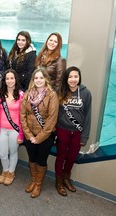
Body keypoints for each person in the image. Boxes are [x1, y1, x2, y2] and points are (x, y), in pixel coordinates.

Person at [20, 67, 59, 198]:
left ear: (46, 79)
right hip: (30, 135)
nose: (38, 80)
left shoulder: (52, 95)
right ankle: (33, 180)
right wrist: (29, 135)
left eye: (41, 77)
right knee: (32, 159)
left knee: (41, 160)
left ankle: (38, 184)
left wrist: (39, 138)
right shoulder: (28, 94)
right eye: (36, 78)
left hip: (46, 136)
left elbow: (51, 121)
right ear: (33, 80)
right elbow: (22, 115)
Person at [55, 66, 92, 196]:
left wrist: (84, 136)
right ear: (66, 78)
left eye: (76, 76)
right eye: (70, 77)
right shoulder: (60, 91)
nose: (73, 79)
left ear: (79, 78)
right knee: (61, 156)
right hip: (62, 130)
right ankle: (58, 181)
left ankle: (66, 178)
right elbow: (56, 112)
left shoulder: (86, 93)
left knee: (71, 157)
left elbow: (88, 116)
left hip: (77, 132)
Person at [0, 69, 25, 185]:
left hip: (15, 130)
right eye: (7, 78)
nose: (10, 81)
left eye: (12, 78)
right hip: (2, 130)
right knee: (2, 153)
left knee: (13, 151)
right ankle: (5, 170)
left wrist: (21, 133)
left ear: (16, 79)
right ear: (4, 80)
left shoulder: (21, 95)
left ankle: (11, 172)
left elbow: (23, 116)